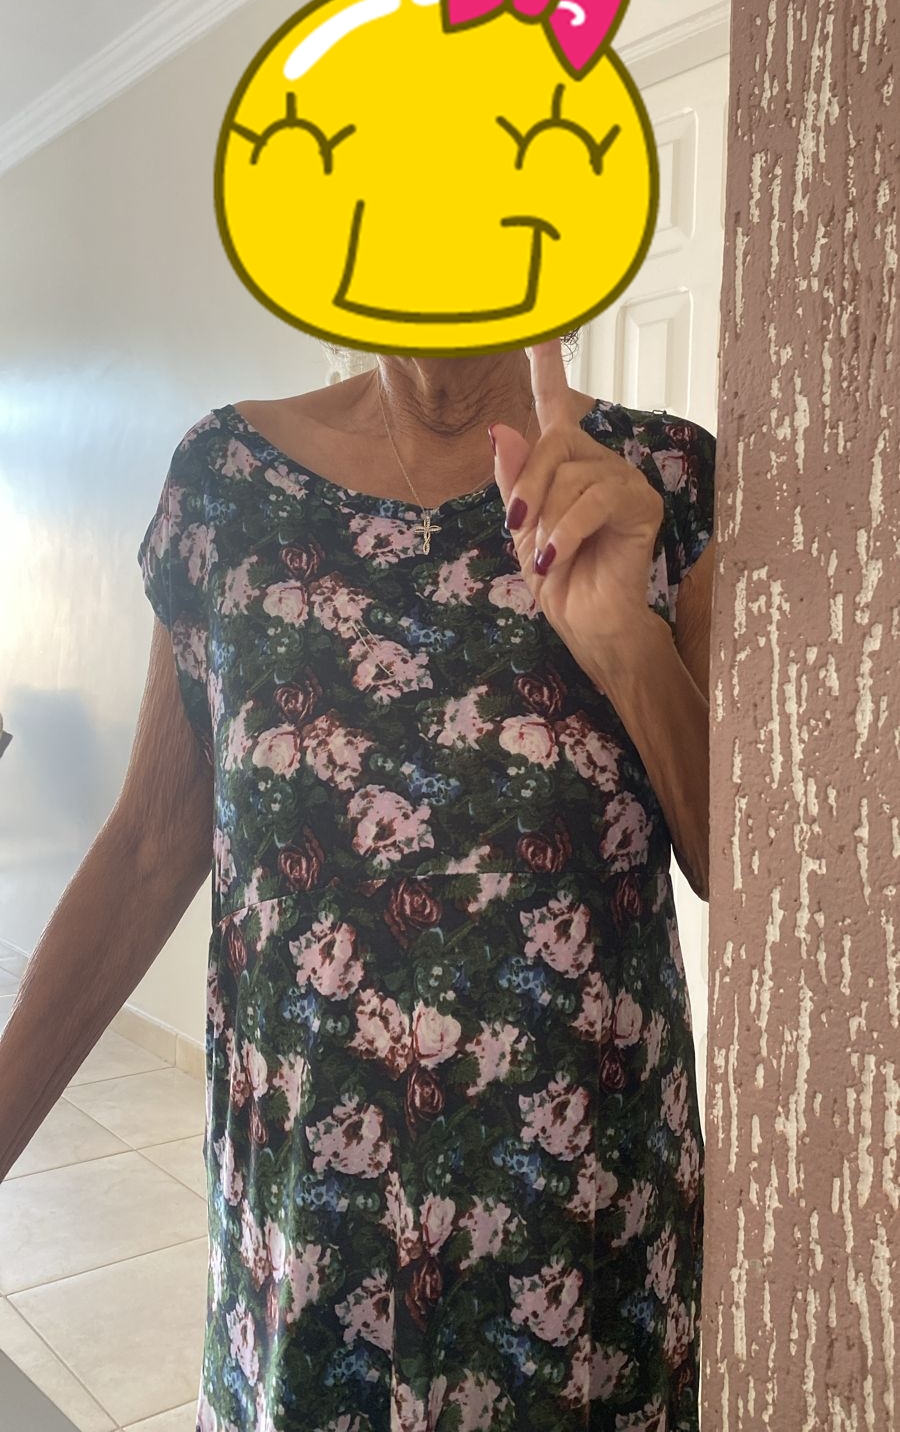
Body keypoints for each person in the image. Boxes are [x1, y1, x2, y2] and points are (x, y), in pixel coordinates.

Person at [1, 335, 716, 1432]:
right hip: (305, 1249)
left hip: (578, 1257)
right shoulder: (227, 488)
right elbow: (149, 847)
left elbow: (741, 868)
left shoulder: (661, 485)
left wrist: (626, 642)